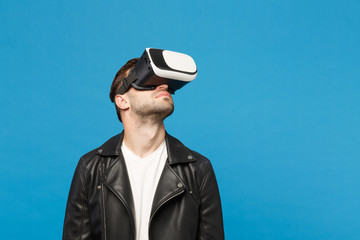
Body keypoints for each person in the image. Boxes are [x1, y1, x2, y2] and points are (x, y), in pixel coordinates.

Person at [63, 56, 224, 240]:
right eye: (149, 82)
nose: (163, 87)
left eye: (166, 84)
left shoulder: (198, 169)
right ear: (122, 101)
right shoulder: (90, 167)